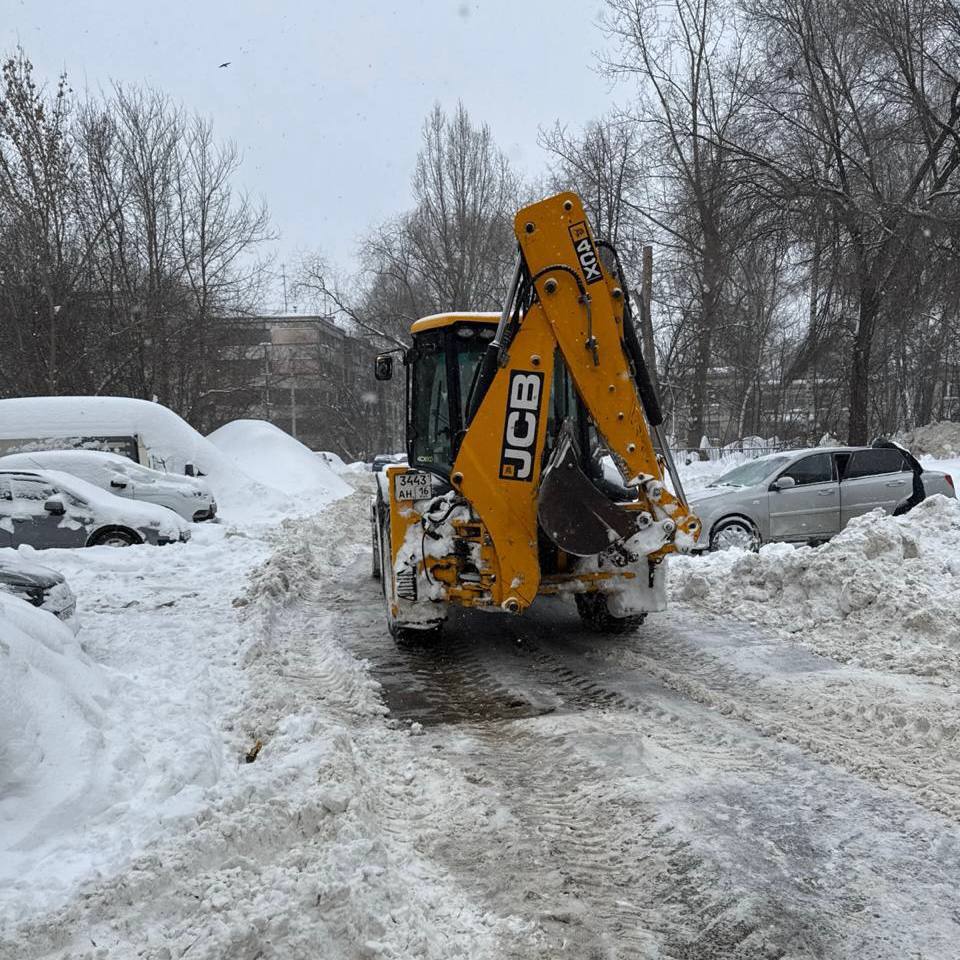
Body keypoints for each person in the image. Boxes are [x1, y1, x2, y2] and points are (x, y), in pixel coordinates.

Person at [871, 437, 924, 515]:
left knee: (900, 513)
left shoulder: (883, 456)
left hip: (906, 490)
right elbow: (919, 469)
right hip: (916, 487)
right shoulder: (902, 452)